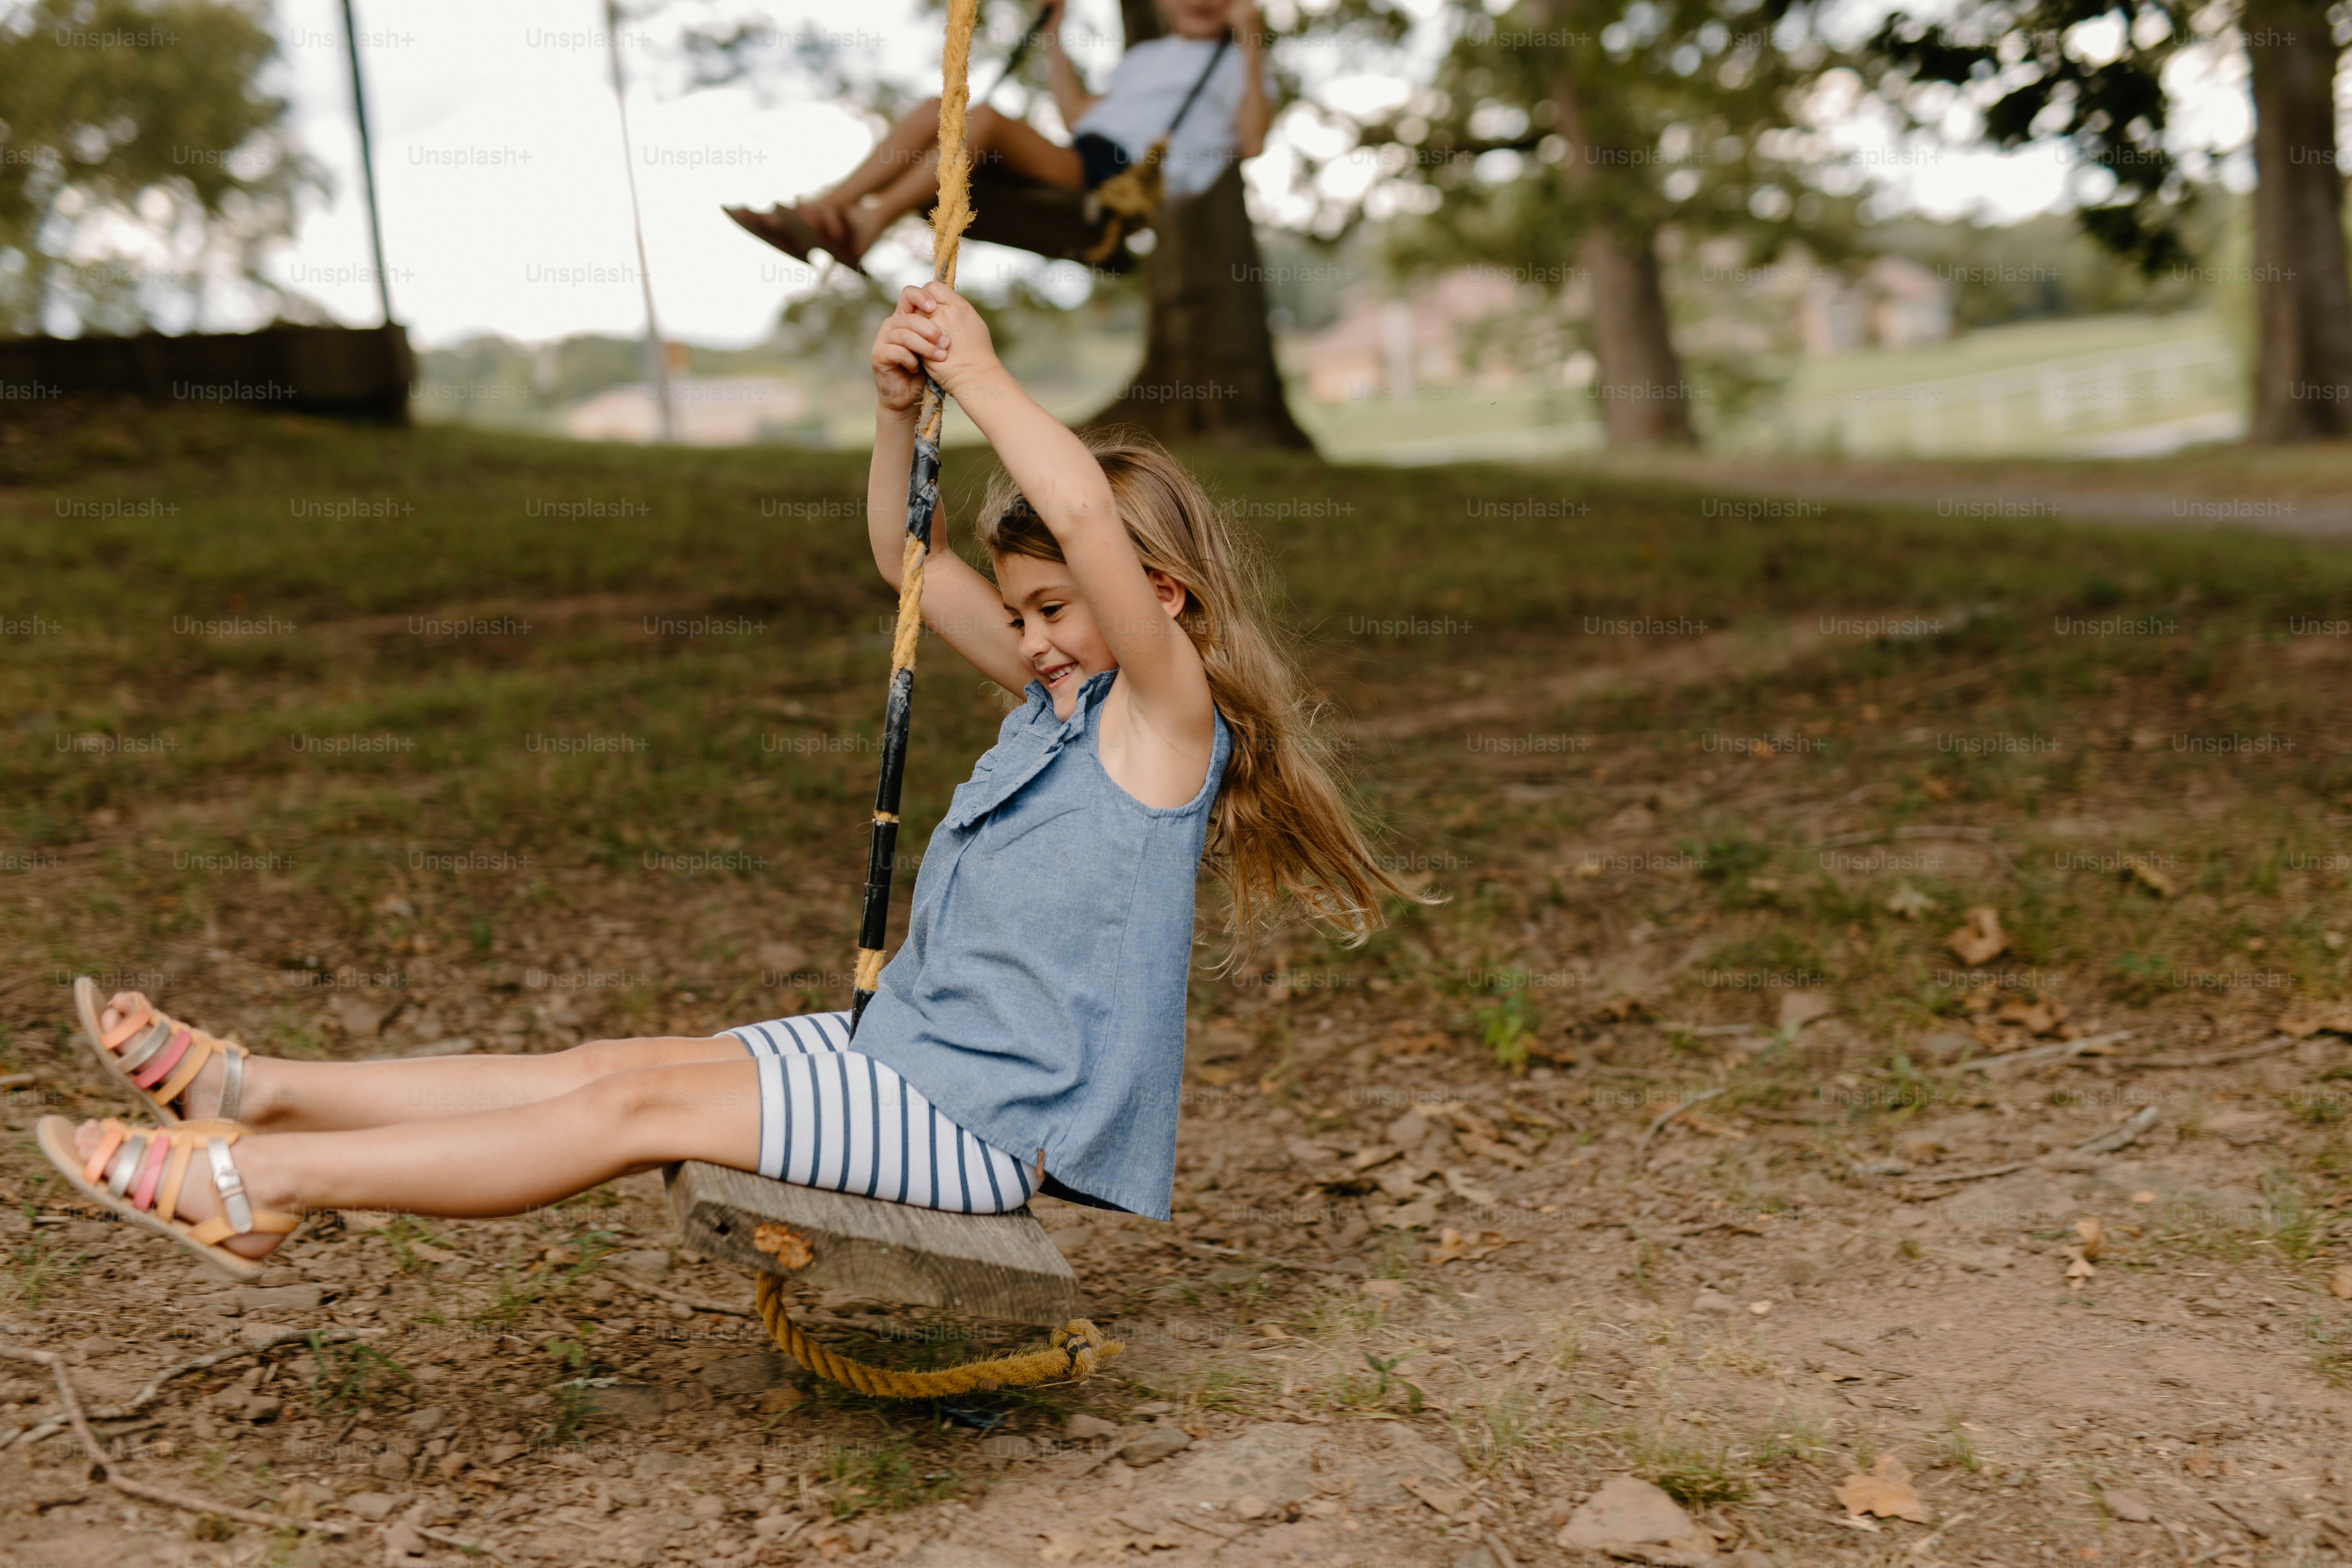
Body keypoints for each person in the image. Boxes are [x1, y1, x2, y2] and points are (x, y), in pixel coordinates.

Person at [38, 280, 1413, 1282]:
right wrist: (897, 413)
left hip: (983, 1124)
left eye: (1061, 605)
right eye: (1028, 613)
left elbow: (1088, 515)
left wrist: (983, 374)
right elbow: (903, 561)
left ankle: (259, 1187)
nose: (1036, 636)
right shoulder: (1067, 699)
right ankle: (253, 1093)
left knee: (628, 1115)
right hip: (903, 1061)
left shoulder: (1158, 726)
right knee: (601, 1065)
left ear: (1158, 597)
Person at [728, 0, 1272, 271]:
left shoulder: (1235, 62)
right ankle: (826, 210)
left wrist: (1251, 43)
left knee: (981, 118)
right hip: (1082, 154)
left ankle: (864, 222)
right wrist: (1053, 39)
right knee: (935, 110)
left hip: (1120, 180)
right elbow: (1081, 116)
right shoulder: (1146, 58)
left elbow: (1250, 142)